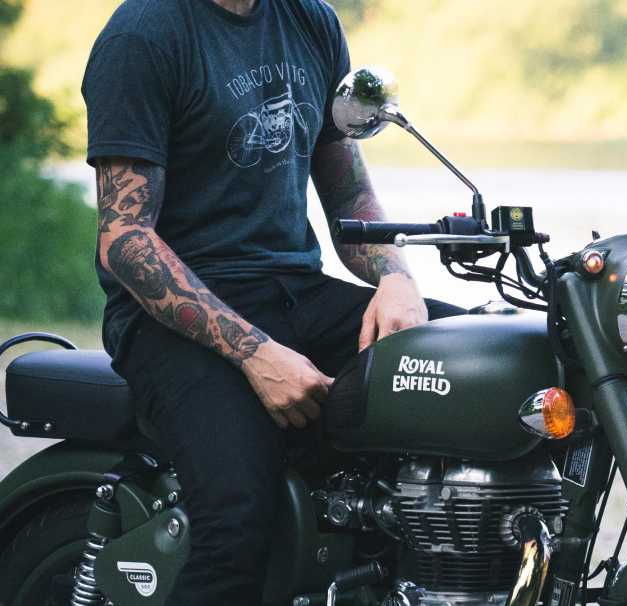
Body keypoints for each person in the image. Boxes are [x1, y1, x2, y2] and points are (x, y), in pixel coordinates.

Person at [81, 0, 462, 604]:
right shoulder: (144, 36)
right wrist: (255, 353)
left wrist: (396, 279)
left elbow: (347, 190)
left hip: (295, 292)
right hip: (170, 316)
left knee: (474, 364)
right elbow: (125, 242)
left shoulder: (310, 20)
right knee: (236, 520)